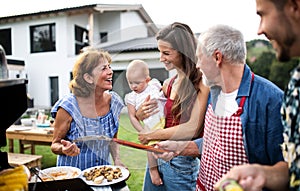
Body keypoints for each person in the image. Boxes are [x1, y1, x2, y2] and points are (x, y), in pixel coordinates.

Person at [153, 24, 285, 191]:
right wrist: (180, 147)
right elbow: (214, 143)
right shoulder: (214, 92)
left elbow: (288, 170)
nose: (197, 65)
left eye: (199, 58)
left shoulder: (271, 100)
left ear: (217, 57)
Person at [214, 0, 300, 190]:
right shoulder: (296, 83)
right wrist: (263, 174)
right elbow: (294, 169)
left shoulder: (271, 97)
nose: (260, 30)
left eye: (263, 14)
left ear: (294, 7)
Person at [136, 22, 210, 191]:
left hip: (181, 162)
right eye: (160, 52)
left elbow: (192, 127)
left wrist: (152, 135)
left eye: (166, 53)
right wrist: (141, 114)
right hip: (157, 156)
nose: (161, 58)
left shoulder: (202, 83)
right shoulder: (168, 84)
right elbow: (156, 119)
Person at [50, 48, 125, 170]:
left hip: (102, 174)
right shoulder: (68, 106)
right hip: (74, 177)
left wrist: (117, 159)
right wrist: (64, 149)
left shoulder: (114, 102)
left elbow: (112, 140)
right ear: (88, 78)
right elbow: (55, 144)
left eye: (109, 67)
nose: (110, 72)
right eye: (104, 68)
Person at [124, 59, 166, 186]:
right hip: (151, 125)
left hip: (164, 119)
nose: (134, 86)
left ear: (147, 79)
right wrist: (142, 131)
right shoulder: (131, 97)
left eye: (137, 83)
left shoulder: (154, 84)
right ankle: (153, 171)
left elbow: (164, 92)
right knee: (150, 148)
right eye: (130, 83)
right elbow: (132, 117)